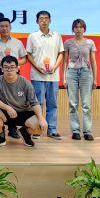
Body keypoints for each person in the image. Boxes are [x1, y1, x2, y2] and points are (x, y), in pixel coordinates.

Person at [0, 56, 48, 148]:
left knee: (41, 126)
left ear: (17, 68)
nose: (9, 70)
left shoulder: (25, 83)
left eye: (12, 67)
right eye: (6, 67)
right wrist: (8, 108)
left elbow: (35, 103)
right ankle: (0, 137)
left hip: (24, 112)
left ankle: (25, 133)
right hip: (6, 113)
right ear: (2, 69)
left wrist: (41, 118)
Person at [0, 17, 27, 139]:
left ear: (10, 27)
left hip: (15, 73)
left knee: (13, 100)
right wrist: (3, 63)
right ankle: (1, 129)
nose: (4, 28)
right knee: (0, 100)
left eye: (6, 26)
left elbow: (24, 59)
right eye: (2, 26)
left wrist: (13, 64)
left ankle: (13, 128)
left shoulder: (18, 43)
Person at [26, 10, 64, 140]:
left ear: (50, 20)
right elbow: (28, 55)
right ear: (37, 21)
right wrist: (38, 68)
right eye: (41, 18)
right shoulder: (32, 36)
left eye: (46, 18)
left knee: (52, 104)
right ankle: (37, 129)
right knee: (38, 103)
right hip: (37, 76)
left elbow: (61, 53)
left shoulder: (56, 35)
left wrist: (55, 67)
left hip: (53, 76)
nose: (44, 21)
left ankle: (52, 130)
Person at [63, 19, 98, 141]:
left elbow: (93, 61)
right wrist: (64, 78)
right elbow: (65, 61)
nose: (78, 29)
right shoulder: (67, 43)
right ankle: (75, 130)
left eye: (81, 27)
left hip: (86, 73)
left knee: (86, 104)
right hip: (71, 73)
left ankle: (87, 131)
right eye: (76, 27)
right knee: (73, 104)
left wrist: (95, 79)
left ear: (84, 29)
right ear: (73, 29)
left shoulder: (90, 42)